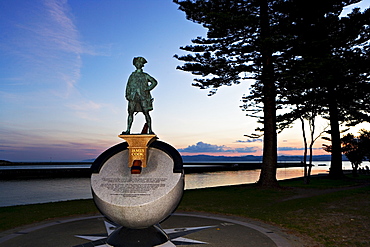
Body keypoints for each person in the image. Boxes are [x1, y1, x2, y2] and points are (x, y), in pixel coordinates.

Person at [122, 57, 158, 134]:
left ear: (142, 65)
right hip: (133, 96)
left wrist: (148, 89)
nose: (138, 64)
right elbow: (128, 85)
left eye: (140, 63)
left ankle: (150, 130)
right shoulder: (132, 75)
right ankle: (128, 130)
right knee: (130, 113)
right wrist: (127, 95)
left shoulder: (145, 75)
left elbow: (154, 82)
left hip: (143, 96)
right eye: (137, 63)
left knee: (146, 113)